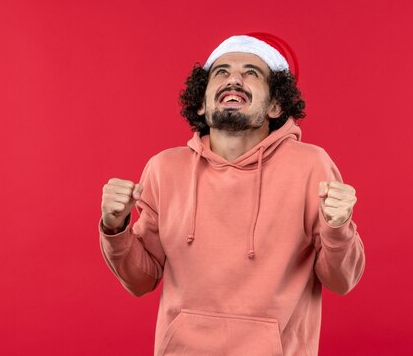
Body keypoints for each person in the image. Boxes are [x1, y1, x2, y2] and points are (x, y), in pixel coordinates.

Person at [99, 33, 365, 356]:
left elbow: (342, 280)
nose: (234, 79)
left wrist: (338, 229)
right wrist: (115, 227)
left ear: (275, 104)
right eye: (221, 72)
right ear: (202, 101)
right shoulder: (163, 169)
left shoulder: (311, 166)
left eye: (252, 72)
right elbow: (141, 280)